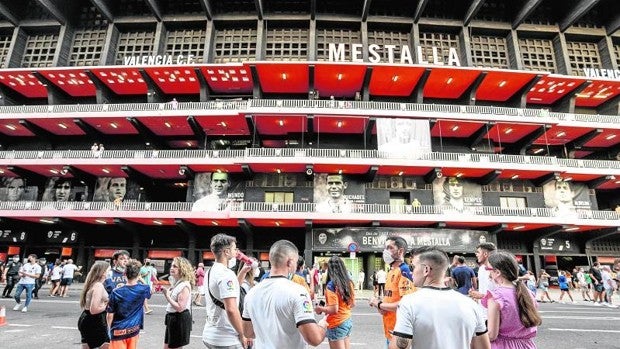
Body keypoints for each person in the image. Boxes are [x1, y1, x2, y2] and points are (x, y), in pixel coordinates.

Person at [389, 246, 490, 349]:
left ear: (426, 270)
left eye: (413, 267)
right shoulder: (471, 305)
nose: (411, 272)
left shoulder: (409, 303)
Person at [242, 240, 327, 348]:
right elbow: (314, 339)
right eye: (296, 262)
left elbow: (247, 332)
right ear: (290, 262)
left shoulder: (252, 293)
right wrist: (322, 326)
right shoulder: (298, 292)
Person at [483, 251, 541, 349]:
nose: (488, 272)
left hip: (502, 345)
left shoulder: (495, 297)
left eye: (488, 269)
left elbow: (491, 335)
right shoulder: (527, 293)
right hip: (527, 345)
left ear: (497, 272)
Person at [202, 233, 249, 349]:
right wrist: (243, 334)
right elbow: (232, 310)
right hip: (227, 338)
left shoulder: (210, 271)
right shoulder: (226, 274)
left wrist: (243, 272)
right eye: (234, 248)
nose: (237, 251)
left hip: (210, 333)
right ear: (226, 252)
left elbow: (231, 291)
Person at [368, 236, 414, 346]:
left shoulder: (404, 271)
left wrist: (378, 304)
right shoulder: (391, 272)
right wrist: (379, 306)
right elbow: (387, 304)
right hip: (390, 330)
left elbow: (404, 305)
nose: (386, 251)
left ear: (400, 251)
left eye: (390, 248)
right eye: (385, 248)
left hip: (400, 333)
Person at [106, 259, 151, 349]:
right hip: (134, 329)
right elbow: (148, 289)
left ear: (124, 274)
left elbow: (110, 314)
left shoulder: (116, 292)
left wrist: (110, 328)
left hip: (119, 330)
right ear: (138, 275)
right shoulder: (144, 289)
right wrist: (140, 278)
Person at [314, 256, 356, 349]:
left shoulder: (331, 285)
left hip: (336, 323)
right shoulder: (349, 282)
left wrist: (320, 308)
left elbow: (334, 309)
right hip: (347, 320)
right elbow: (352, 303)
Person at [163, 257, 194, 349]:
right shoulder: (178, 283)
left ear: (182, 269)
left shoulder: (184, 285)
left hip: (178, 319)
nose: (172, 268)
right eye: (172, 265)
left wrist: (167, 296)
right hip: (172, 319)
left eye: (175, 266)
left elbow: (180, 308)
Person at [78, 261, 111, 349]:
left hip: (86, 318)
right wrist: (108, 305)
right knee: (106, 345)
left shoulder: (92, 284)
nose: (110, 273)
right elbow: (94, 310)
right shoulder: (98, 286)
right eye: (109, 270)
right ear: (103, 272)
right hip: (95, 321)